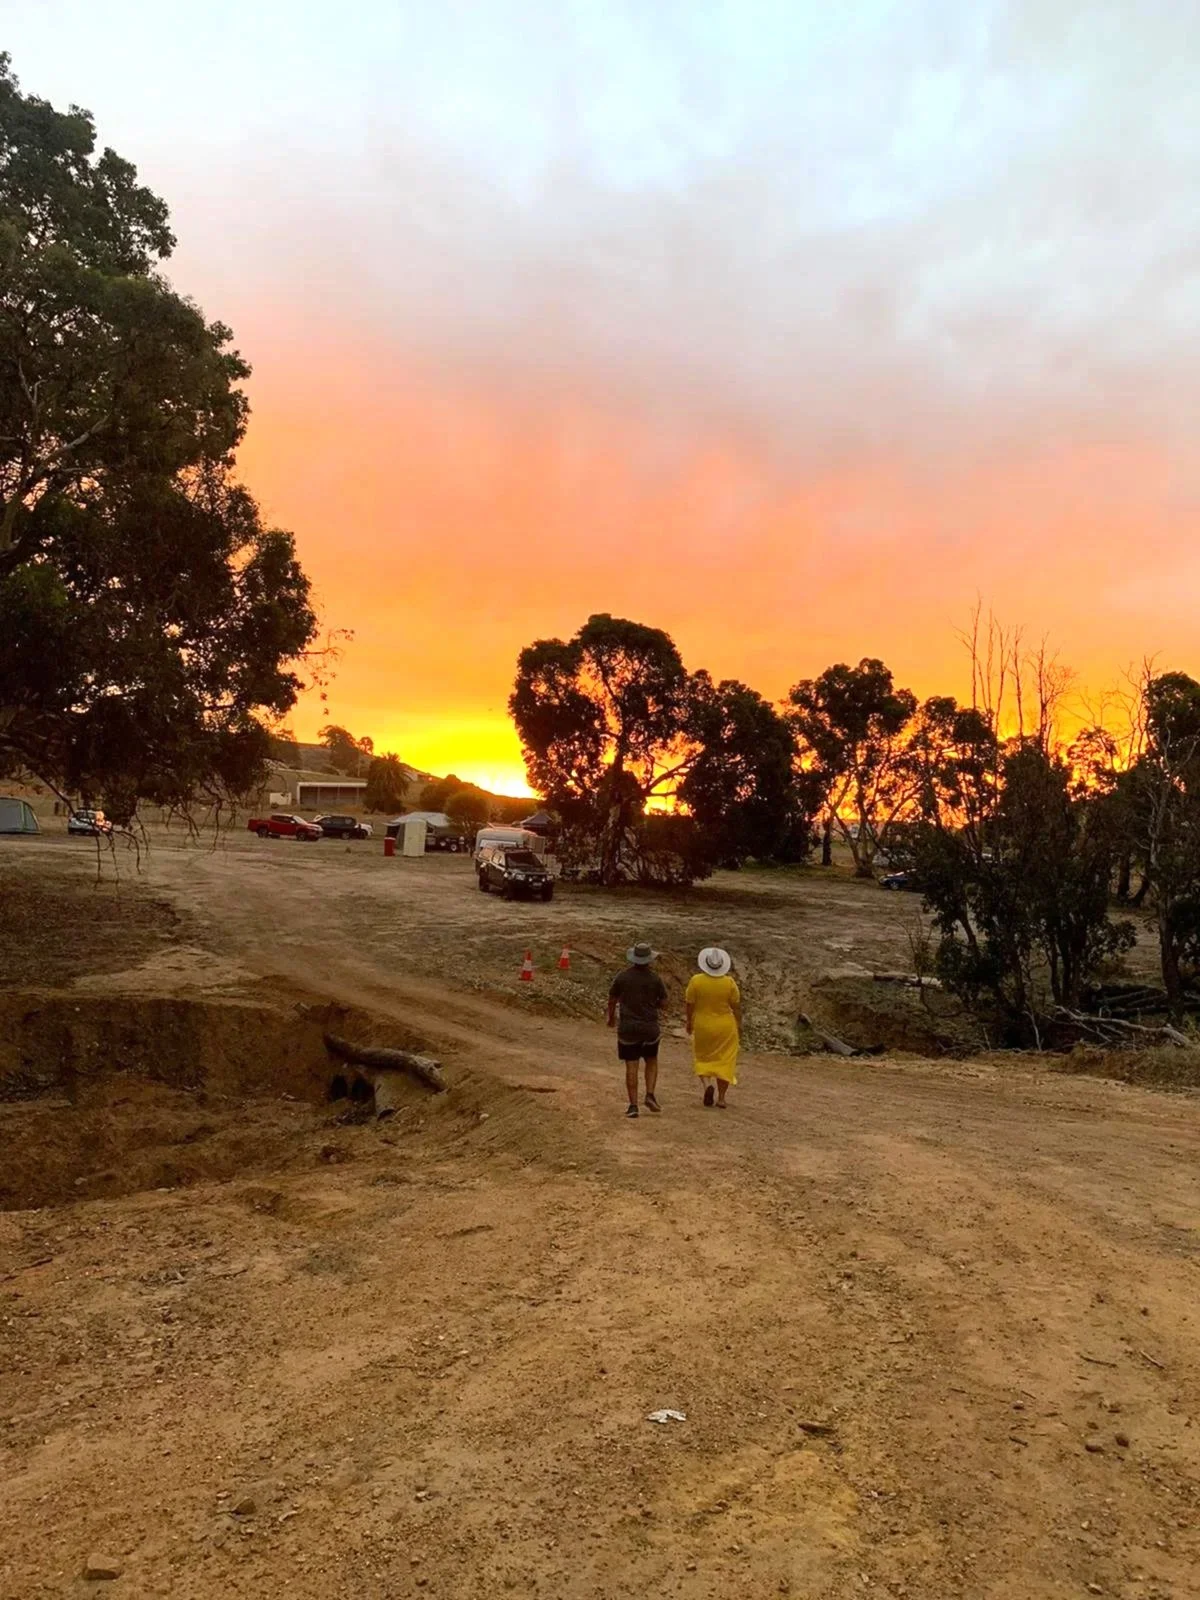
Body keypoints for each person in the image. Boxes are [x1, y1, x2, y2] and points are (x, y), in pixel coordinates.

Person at [607, 941, 667, 1118]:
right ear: (649, 960)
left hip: (628, 1028)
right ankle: (650, 1094)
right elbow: (664, 1003)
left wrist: (611, 1018)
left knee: (631, 1066)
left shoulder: (622, 977)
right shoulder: (655, 979)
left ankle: (633, 1106)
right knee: (651, 1060)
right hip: (649, 1027)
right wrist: (653, 1004)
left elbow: (612, 998)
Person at [685, 947, 741, 1108]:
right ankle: (722, 1098)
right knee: (725, 1060)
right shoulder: (729, 982)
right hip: (725, 1025)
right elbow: (736, 1006)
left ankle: (707, 1085)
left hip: (703, 1023)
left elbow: (689, 1004)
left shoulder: (696, 981)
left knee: (702, 1056)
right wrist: (739, 1024)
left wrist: (689, 1022)